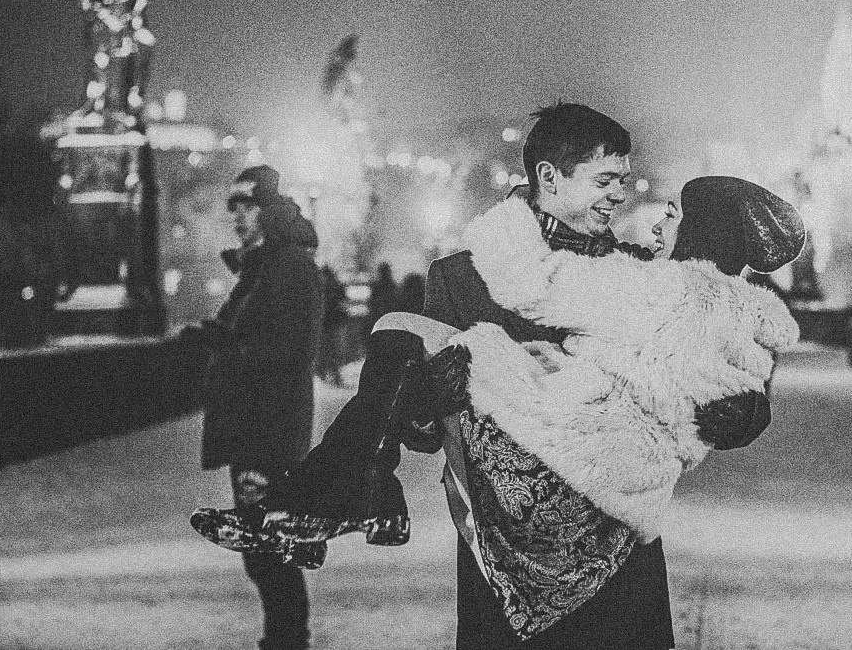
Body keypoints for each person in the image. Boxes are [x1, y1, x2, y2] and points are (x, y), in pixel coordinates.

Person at [192, 105, 773, 648]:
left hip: (612, 540)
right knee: (404, 335)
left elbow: (718, 364)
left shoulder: (639, 272)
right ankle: (343, 489)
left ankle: (345, 491)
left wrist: (744, 409)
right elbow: (421, 426)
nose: (620, 195)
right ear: (550, 177)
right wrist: (427, 398)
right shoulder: (463, 279)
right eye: (604, 180)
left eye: (622, 179)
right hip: (501, 539)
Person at [418, 174, 805, 544]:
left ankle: (370, 479)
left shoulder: (647, 284)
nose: (655, 225)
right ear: (549, 178)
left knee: (438, 339)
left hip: (559, 486)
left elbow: (534, 284)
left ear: (701, 230)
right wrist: (748, 407)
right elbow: (744, 379)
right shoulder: (742, 310)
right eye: (603, 181)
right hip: (636, 506)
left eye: (671, 215)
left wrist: (507, 216)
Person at [195, 164, 323, 650]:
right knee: (263, 550)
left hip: (267, 433)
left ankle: (288, 642)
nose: (236, 217)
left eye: (244, 206)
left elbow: (293, 349)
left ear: (266, 211)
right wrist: (215, 339)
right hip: (258, 429)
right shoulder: (267, 266)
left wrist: (227, 352)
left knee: (268, 551)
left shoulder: (287, 266)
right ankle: (285, 639)